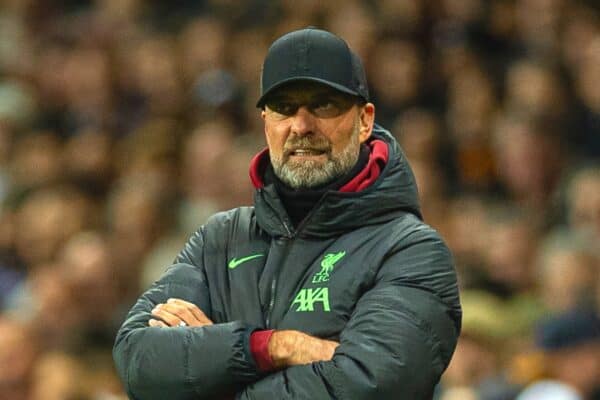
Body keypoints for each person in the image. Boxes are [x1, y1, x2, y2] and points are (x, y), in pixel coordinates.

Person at [113, 27, 462, 400]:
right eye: (284, 107)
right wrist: (273, 347)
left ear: (365, 121)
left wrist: (210, 370)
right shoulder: (221, 238)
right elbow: (137, 359)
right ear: (265, 121)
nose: (301, 126)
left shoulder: (410, 250)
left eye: (323, 105)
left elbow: (370, 385)